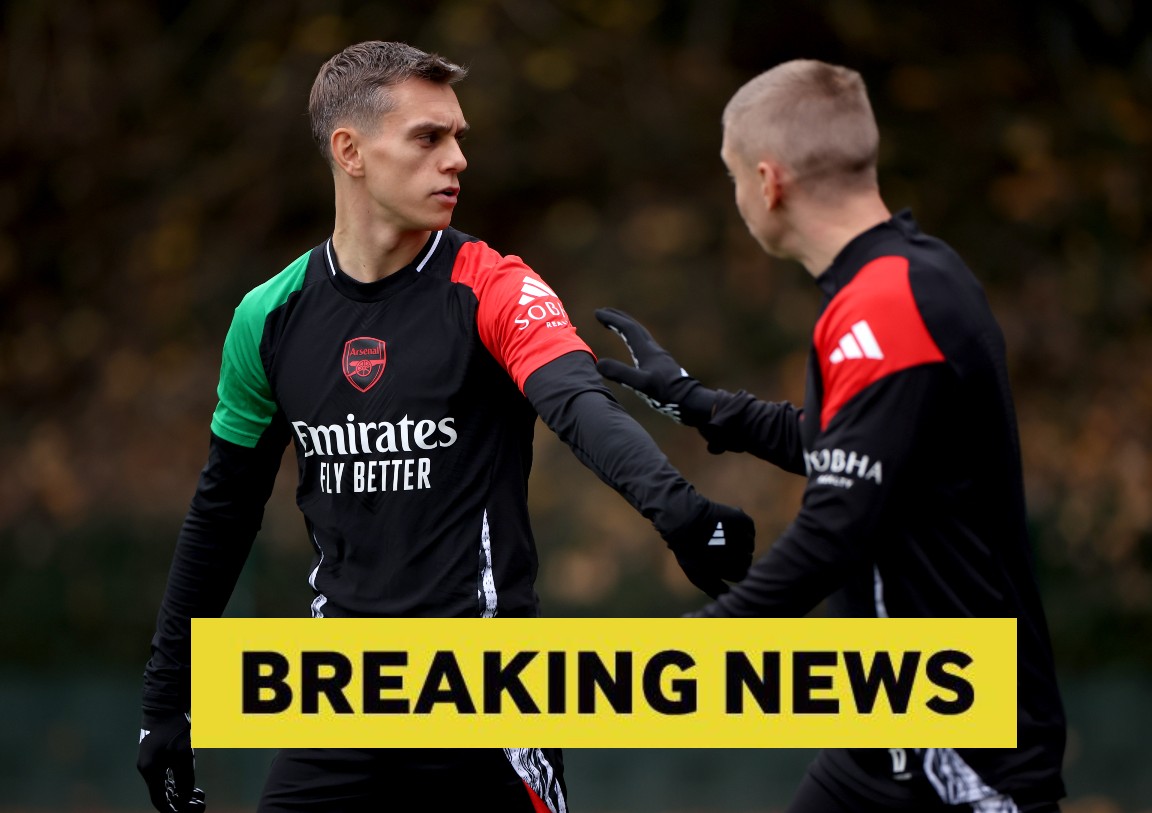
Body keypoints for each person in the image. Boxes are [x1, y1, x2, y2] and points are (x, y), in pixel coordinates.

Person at [135, 40, 755, 813]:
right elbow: (221, 514)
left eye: (458, 136)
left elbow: (577, 402)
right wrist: (166, 701)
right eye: (429, 138)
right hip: (339, 698)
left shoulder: (492, 284)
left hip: (486, 700)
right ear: (350, 151)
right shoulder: (267, 317)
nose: (456, 159)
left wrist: (676, 509)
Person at [595, 59, 1066, 813]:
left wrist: (699, 644)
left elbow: (838, 525)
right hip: (886, 727)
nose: (737, 196)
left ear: (769, 180)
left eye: (732, 176)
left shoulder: (884, 304)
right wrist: (694, 403)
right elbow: (856, 448)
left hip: (961, 739)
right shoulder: (911, 278)